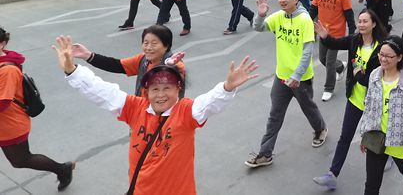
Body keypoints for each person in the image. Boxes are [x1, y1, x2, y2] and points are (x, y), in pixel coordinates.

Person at [54, 35, 257, 195]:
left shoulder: (185, 112)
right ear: (147, 92)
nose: (160, 95)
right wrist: (72, 70)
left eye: (167, 88)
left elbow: (209, 103)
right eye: (155, 89)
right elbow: (102, 91)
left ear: (178, 89)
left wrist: (227, 87)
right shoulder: (135, 107)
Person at [246, 0, 328, 168]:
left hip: (301, 79)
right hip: (281, 77)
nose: (282, 0)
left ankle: (320, 128)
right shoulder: (278, 16)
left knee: (308, 108)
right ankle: (265, 154)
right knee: (275, 115)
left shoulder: (304, 20)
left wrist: (297, 75)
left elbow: (307, 51)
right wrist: (260, 15)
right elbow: (258, 27)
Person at [312, 9, 387, 190]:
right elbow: (335, 43)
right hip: (354, 99)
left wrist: (358, 73)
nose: (361, 24)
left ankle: (389, 155)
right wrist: (325, 36)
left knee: (378, 136)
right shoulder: (354, 40)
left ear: (374, 24)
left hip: (374, 103)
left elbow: (371, 79)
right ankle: (332, 174)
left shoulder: (381, 49)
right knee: (345, 137)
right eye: (359, 21)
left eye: (365, 21)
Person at [0, 27, 74, 191]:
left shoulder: (8, 70)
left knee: (20, 160)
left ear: (2, 44)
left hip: (10, 126)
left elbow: (3, 103)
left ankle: (62, 169)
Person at [357, 36, 403, 195]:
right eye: (381, 54)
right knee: (371, 185)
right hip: (376, 138)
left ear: (399, 57)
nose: (383, 59)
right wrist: (364, 133)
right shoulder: (374, 75)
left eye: (388, 56)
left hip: (399, 143)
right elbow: (368, 105)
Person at [69, 24, 187, 97]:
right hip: (142, 114)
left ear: (166, 46)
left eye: (154, 43)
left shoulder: (175, 64)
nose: (148, 47)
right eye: (145, 43)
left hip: (165, 120)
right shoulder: (143, 60)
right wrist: (88, 55)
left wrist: (167, 66)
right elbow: (117, 65)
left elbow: (173, 74)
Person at [311, 0, 355, 101]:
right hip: (322, 32)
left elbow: (349, 14)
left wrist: (352, 32)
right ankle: (340, 66)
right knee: (322, 59)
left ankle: (328, 88)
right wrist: (305, 22)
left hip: (336, 34)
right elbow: (313, 9)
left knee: (329, 62)